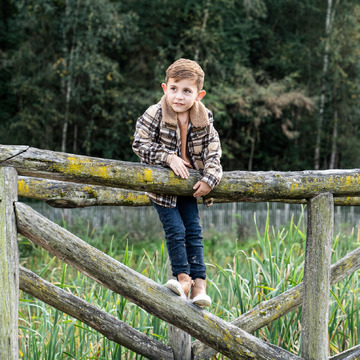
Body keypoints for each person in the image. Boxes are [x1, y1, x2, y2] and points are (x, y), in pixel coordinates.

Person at [132, 58, 222, 307]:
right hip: (163, 188)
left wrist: (209, 180)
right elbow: (140, 144)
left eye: (186, 91)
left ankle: (199, 286)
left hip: (190, 186)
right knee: (175, 230)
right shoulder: (155, 113)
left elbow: (214, 153)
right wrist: (168, 157)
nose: (179, 96)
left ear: (199, 94)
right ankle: (183, 278)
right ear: (164, 88)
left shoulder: (204, 118)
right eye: (174, 88)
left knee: (193, 231)